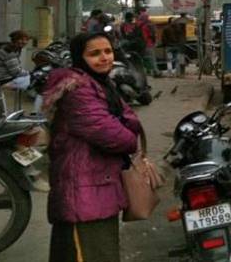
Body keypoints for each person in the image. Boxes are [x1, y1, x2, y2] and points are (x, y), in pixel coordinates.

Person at [42, 31, 156, 262]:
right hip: (83, 191)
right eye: (94, 53)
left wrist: (125, 125)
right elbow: (117, 136)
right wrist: (126, 130)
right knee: (89, 253)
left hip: (98, 187)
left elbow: (129, 118)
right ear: (79, 57)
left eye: (107, 51)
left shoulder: (100, 84)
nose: (104, 58)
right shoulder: (78, 90)